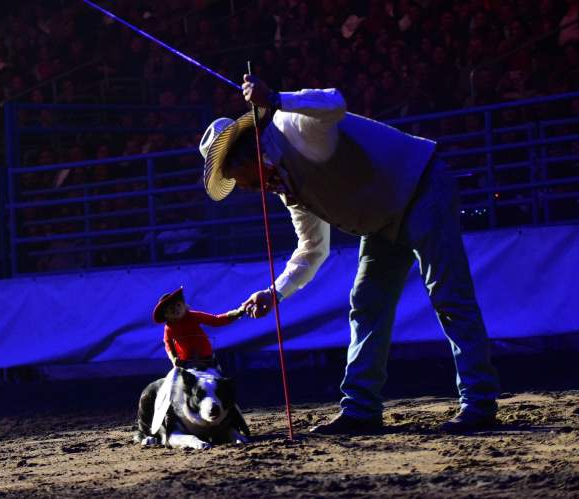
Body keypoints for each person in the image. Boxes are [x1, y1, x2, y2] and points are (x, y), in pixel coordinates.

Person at [197, 75, 500, 434]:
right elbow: (312, 249)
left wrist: (276, 97)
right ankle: (360, 410)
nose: (245, 188)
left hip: (421, 188)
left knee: (449, 296)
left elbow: (334, 102)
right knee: (367, 303)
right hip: (384, 220)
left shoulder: (290, 125)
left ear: (249, 152)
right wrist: (275, 292)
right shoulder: (286, 186)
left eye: (238, 177)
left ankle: (478, 402)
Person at [153, 287, 244, 369]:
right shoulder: (168, 328)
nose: (176, 309)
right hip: (185, 362)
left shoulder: (193, 316)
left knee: (219, 380)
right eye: (171, 309)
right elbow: (168, 344)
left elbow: (215, 320)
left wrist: (236, 313)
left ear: (184, 305)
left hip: (206, 358)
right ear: (166, 314)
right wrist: (173, 358)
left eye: (178, 305)